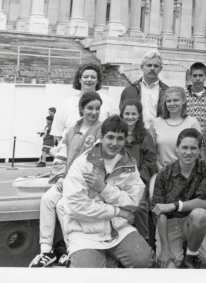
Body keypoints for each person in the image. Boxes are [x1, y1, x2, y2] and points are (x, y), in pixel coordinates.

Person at [59, 115, 154, 268]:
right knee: (90, 276)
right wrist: (117, 211)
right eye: (110, 137)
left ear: (125, 140)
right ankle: (105, 262)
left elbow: (133, 202)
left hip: (119, 229)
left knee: (144, 261)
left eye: (120, 138)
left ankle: (109, 260)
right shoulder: (82, 164)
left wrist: (104, 189)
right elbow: (75, 208)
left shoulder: (129, 165)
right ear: (101, 137)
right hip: (84, 232)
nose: (114, 143)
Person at [29, 91, 104, 267]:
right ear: (82, 109)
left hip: (85, 184)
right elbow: (61, 155)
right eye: (90, 108)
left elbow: (96, 160)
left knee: (64, 206)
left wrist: (74, 181)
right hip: (67, 180)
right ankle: (46, 251)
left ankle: (72, 250)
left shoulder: (102, 129)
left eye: (97, 108)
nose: (94, 112)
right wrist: (61, 176)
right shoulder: (71, 130)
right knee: (47, 199)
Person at [151, 128, 206, 268]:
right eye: (184, 147)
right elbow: (160, 211)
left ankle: (191, 256)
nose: (188, 152)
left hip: (193, 220)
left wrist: (174, 205)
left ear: (199, 150)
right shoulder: (163, 174)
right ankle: (178, 246)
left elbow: (203, 202)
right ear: (177, 149)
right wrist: (165, 249)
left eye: (193, 148)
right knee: (170, 266)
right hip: (169, 222)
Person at [120, 99, 157, 240]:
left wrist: (140, 178)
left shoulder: (145, 136)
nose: (130, 117)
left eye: (133, 113)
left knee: (140, 206)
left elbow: (151, 160)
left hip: (138, 180)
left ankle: (144, 238)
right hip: (118, 179)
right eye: (127, 113)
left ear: (139, 115)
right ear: (122, 114)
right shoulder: (118, 134)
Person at [50, 64, 119, 141]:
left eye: (93, 77)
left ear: (97, 80)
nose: (89, 80)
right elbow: (57, 135)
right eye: (85, 77)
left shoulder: (109, 102)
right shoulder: (66, 104)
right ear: (79, 79)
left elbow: (117, 129)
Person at [151, 87, 201, 171]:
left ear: (183, 101)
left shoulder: (192, 123)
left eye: (176, 100)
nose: (172, 103)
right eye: (169, 101)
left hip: (186, 173)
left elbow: (197, 151)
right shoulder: (156, 123)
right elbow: (151, 151)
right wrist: (160, 169)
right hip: (162, 172)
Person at [120, 50, 169, 130]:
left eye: (156, 66)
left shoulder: (167, 92)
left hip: (158, 133)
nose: (152, 68)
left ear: (160, 69)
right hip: (134, 134)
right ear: (142, 67)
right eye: (149, 65)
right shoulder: (130, 90)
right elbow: (122, 114)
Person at [185, 62, 206, 134]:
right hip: (188, 138)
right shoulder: (183, 96)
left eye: (200, 75)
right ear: (190, 77)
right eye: (195, 76)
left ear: (205, 77)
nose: (198, 78)